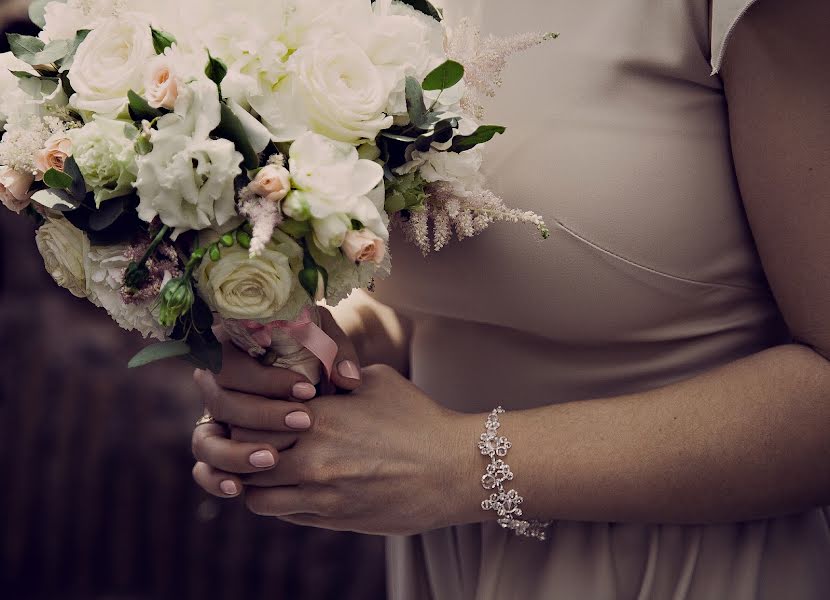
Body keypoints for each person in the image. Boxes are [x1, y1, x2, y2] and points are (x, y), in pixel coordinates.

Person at [190, 0, 830, 597]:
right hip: (452, 560)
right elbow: (462, 298)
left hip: (700, 561)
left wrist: (463, 465)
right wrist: (322, 351)